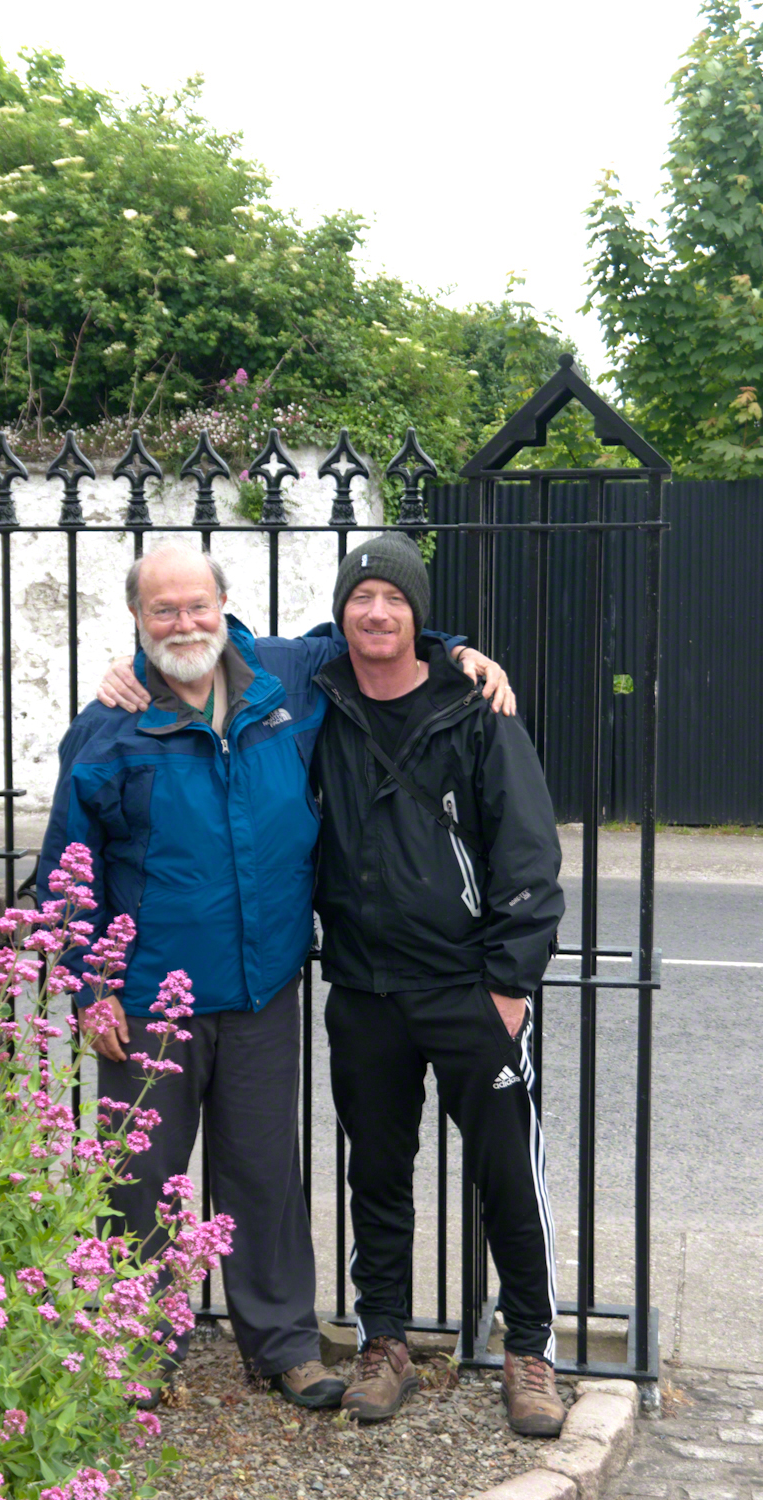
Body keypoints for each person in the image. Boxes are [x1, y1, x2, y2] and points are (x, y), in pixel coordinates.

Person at [38, 538, 513, 1411]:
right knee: (139, 1181)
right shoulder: (110, 725)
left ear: (226, 607)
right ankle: (139, 1347)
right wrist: (87, 981)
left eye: (197, 606)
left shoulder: (284, 679)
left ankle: (284, 1347)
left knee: (263, 1176)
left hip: (264, 991)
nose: (184, 623)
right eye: (162, 611)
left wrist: (457, 651)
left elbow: (377, 633)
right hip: (148, 999)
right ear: (138, 624)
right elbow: (71, 859)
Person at [311, 532, 565, 1434]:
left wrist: (508, 983)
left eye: (394, 600)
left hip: (469, 988)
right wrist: (124, 674)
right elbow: (220, 653)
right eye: (360, 598)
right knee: (376, 1172)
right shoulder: (320, 700)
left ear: (419, 616)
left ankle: (529, 1348)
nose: (376, 613)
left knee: (506, 1175)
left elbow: (530, 851)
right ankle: (384, 1340)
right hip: (364, 988)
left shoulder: (477, 707)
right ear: (340, 613)